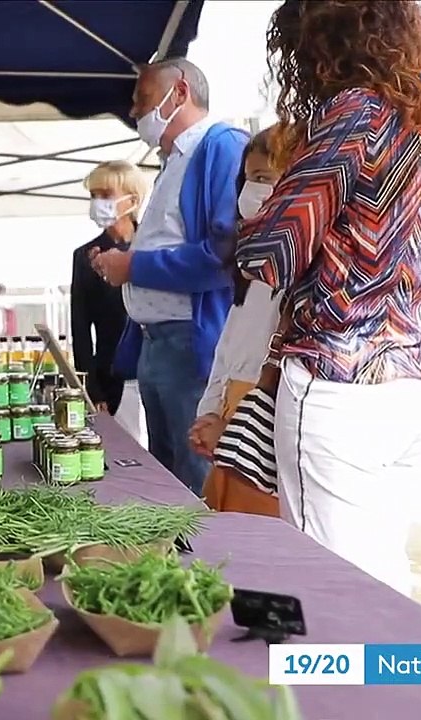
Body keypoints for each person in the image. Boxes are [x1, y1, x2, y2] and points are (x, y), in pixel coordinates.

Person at [234, 0, 421, 596]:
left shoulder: (353, 114)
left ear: (322, 47)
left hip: (340, 382)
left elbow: (269, 254)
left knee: (335, 592)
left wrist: (254, 214)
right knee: (383, 577)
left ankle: (345, 688)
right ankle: (399, 683)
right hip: (415, 377)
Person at [90, 57, 246, 496]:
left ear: (179, 93)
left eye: (142, 99)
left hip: (190, 343)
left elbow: (223, 255)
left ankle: (202, 563)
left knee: (191, 478)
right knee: (167, 477)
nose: (135, 112)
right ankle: (172, 562)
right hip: (159, 341)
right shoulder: (173, 160)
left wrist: (132, 266)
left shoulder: (220, 146)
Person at [188, 126, 283, 517]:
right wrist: (209, 413)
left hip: (261, 430)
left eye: (267, 179)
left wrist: (231, 428)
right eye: (251, 179)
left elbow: (276, 363)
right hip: (231, 418)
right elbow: (227, 348)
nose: (253, 192)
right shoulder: (248, 266)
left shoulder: (302, 270)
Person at [71, 160, 149, 416]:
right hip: (111, 378)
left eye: (106, 195)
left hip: (154, 368)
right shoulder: (85, 255)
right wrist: (91, 389)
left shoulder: (153, 248)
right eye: (93, 196)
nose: (97, 203)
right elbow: (80, 329)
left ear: (132, 200)